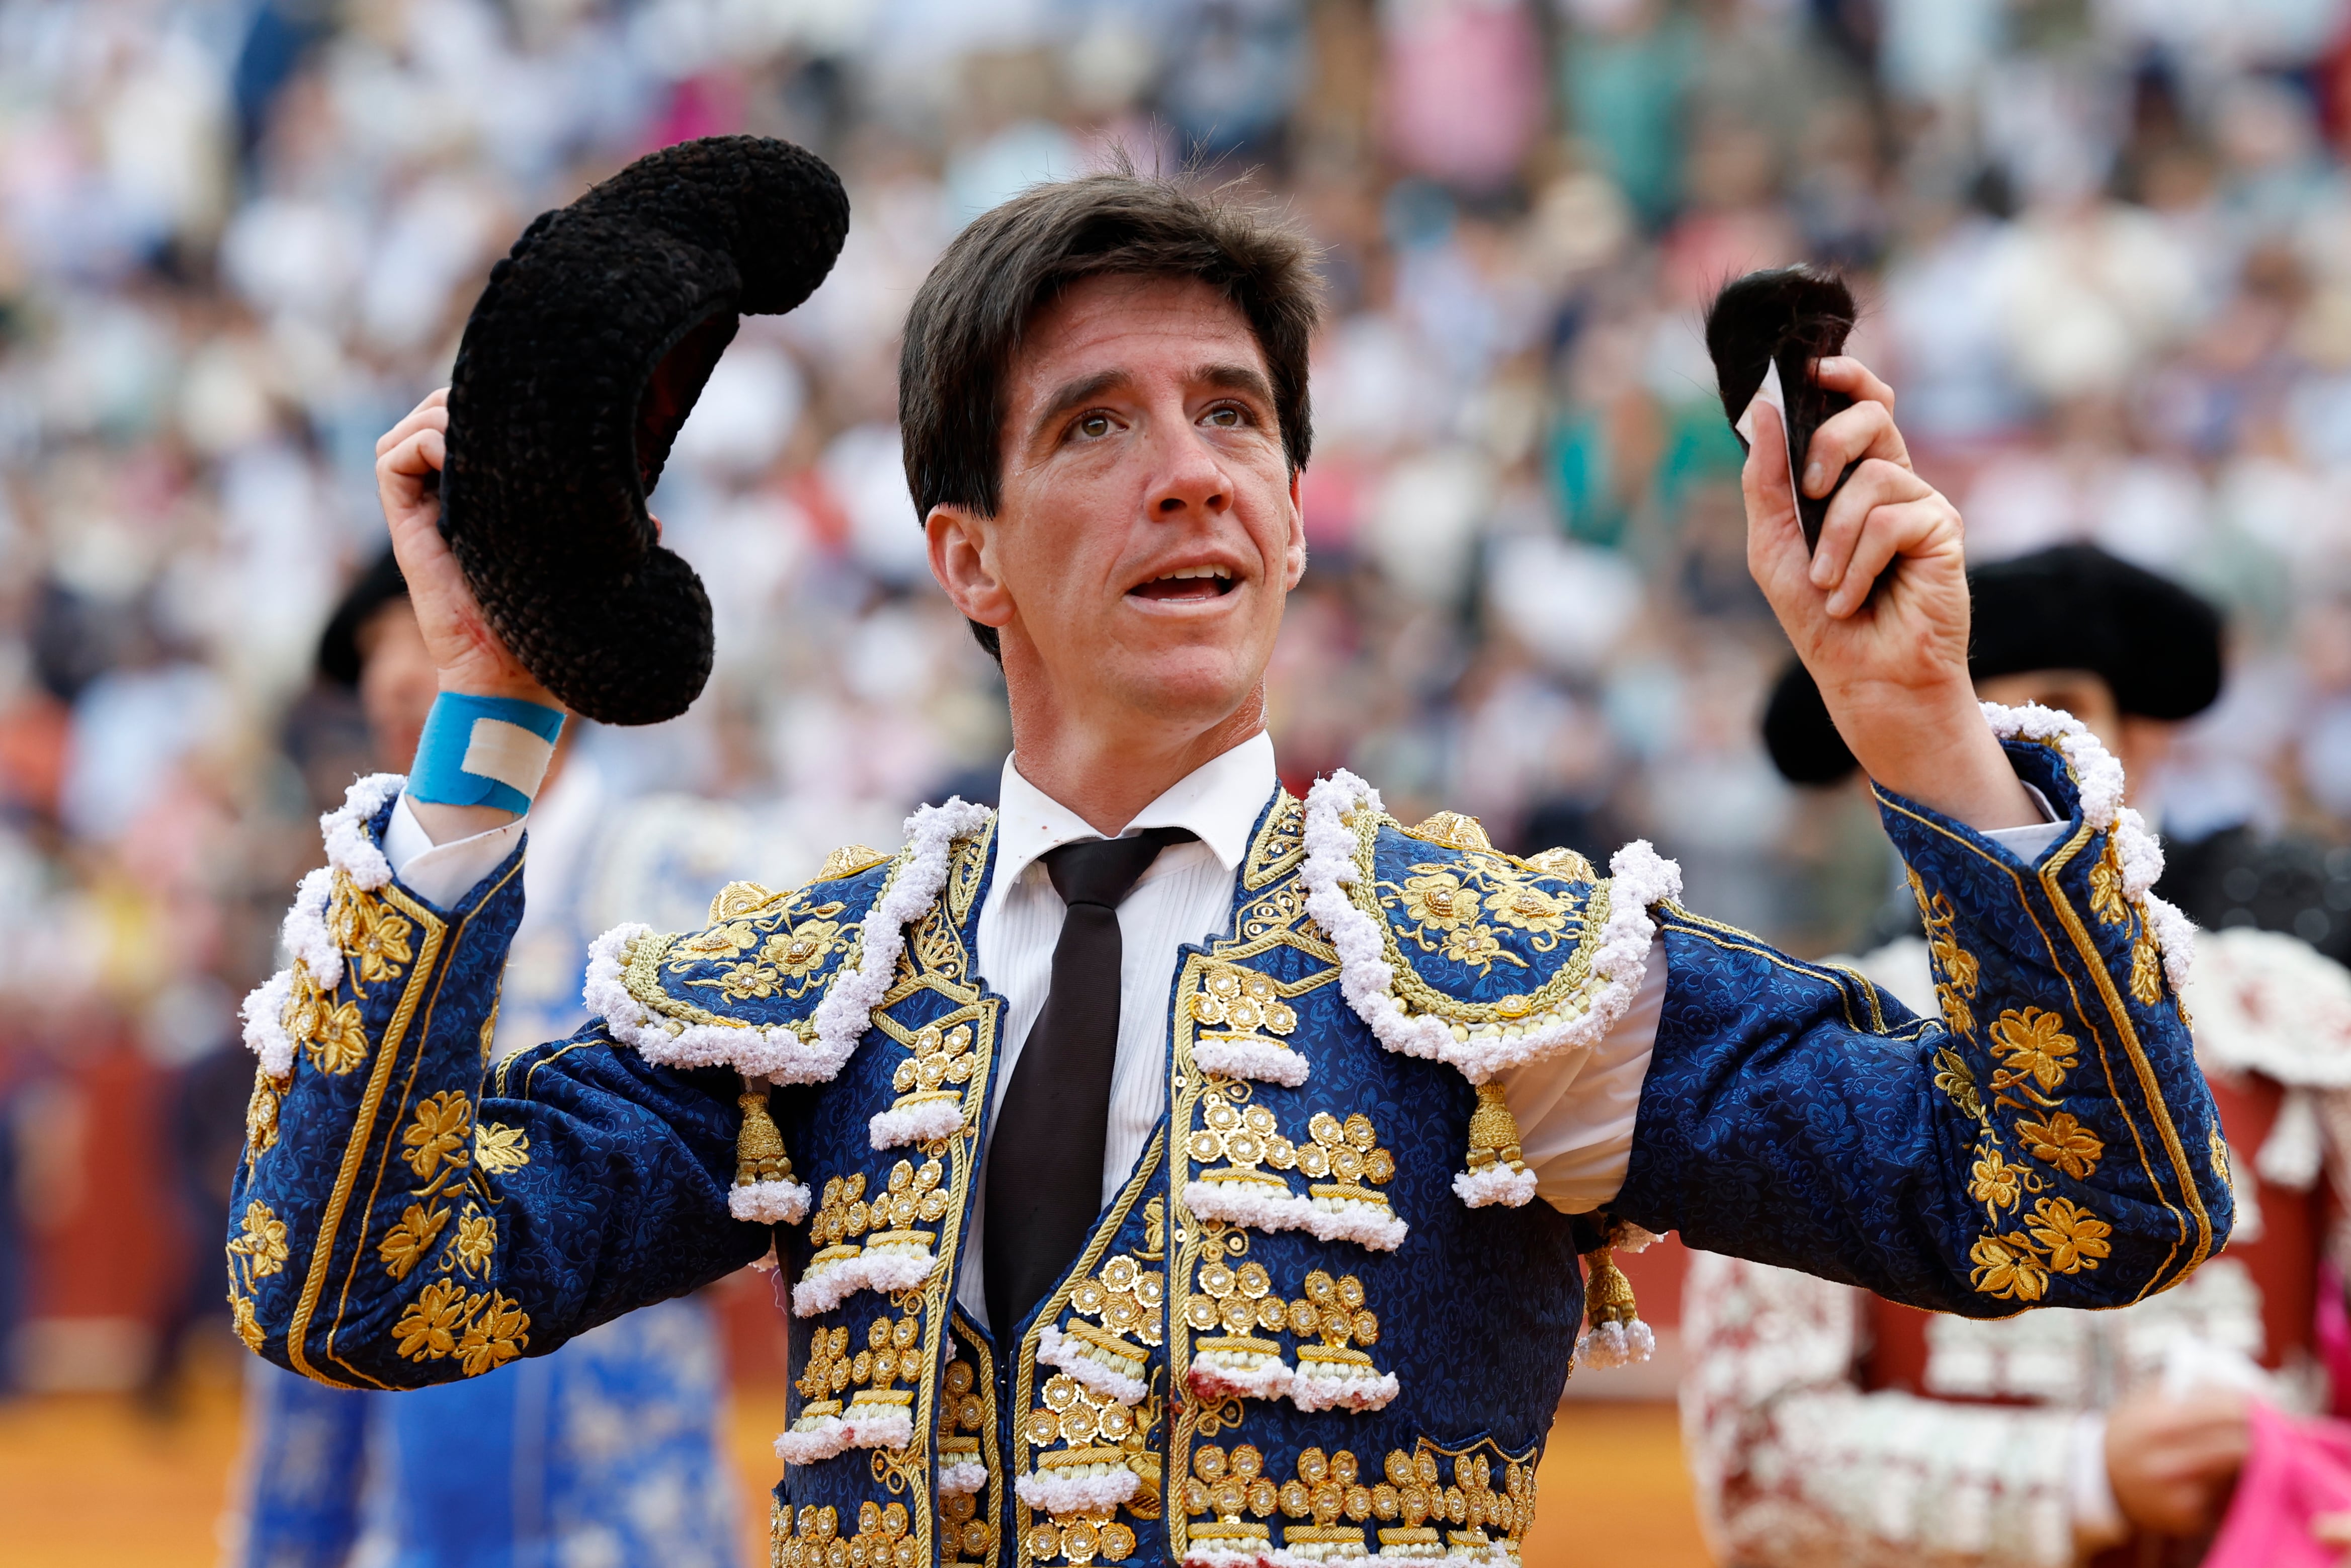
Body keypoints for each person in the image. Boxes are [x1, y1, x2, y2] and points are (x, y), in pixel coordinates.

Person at [228, 175, 2229, 1568]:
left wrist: (1925, 740)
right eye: (1094, 422)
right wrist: (483, 720)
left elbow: (2087, 1203)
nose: (1187, 464)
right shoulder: (814, 993)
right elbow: (358, 1282)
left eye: (1233, 416)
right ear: (967, 556)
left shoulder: (1501, 977)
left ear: (1284, 523)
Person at [1685, 544, 2351, 1567]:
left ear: (2140, 742)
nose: (2000, 758)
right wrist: (2082, 1476)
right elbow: (1757, 1466)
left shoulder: (2307, 1022)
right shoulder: (1822, 1033)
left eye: (2055, 709)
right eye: (1945, 730)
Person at [227, 551, 743, 1568]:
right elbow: (309, 1286)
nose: (386, 681)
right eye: (374, 654)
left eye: (418, 635)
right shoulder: (346, 927)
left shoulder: (690, 875)